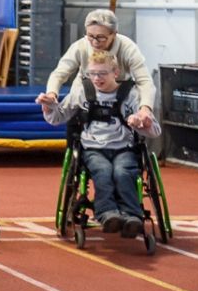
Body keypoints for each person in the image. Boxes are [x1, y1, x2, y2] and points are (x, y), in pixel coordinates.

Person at [39, 50, 164, 240]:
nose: (97, 78)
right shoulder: (82, 91)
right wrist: (48, 105)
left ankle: (132, 216)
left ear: (115, 72)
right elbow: (57, 117)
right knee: (103, 171)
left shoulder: (130, 94)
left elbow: (154, 131)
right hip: (93, 149)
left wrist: (143, 122)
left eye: (102, 74)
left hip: (124, 148)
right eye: (93, 74)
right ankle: (107, 213)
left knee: (123, 172)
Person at [46, 9, 156, 133]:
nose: (94, 42)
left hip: (120, 93)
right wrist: (52, 93)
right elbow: (60, 73)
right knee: (74, 125)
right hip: (87, 92)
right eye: (90, 36)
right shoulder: (80, 46)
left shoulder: (128, 48)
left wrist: (145, 108)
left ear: (114, 34)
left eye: (101, 37)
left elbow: (144, 80)